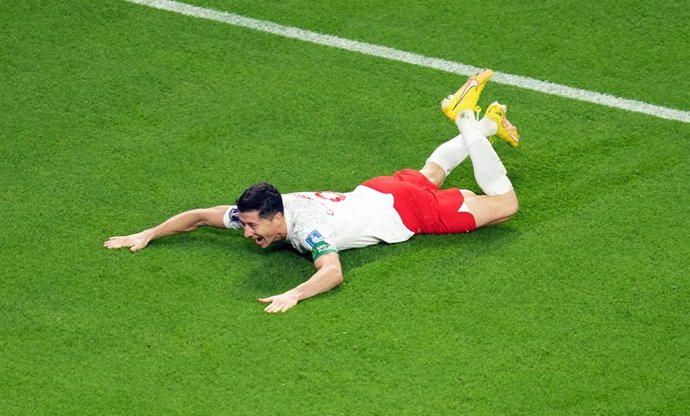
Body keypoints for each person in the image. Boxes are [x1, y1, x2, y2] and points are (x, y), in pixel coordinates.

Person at [104, 69, 520, 313]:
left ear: (277, 217)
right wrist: (148, 234)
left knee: (505, 205)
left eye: (252, 227)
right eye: (245, 225)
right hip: (378, 191)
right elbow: (198, 216)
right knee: (433, 169)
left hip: (405, 211)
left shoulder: (308, 228)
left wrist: (294, 294)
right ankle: (488, 126)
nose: (247, 233)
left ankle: (466, 116)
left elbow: (333, 272)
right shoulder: (265, 210)